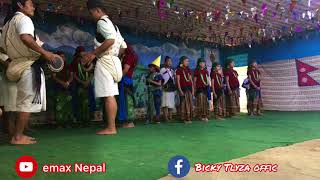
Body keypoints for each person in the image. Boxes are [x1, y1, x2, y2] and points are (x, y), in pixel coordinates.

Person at [0, 0, 58, 145]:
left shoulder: (7, 25)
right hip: (27, 65)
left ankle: (17, 134)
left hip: (15, 66)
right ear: (20, 5)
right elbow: (25, 37)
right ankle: (18, 137)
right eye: (31, 3)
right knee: (26, 102)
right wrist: (46, 53)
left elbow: (1, 49)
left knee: (18, 103)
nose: (33, 7)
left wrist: (15, 54)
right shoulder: (24, 19)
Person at [82, 0, 126, 135]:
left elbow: (110, 40)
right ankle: (111, 126)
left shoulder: (101, 22)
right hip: (115, 62)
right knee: (111, 94)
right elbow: (123, 47)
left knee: (108, 95)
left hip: (105, 61)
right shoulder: (115, 26)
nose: (91, 16)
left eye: (91, 13)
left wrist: (93, 54)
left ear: (97, 10)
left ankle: (111, 128)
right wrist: (113, 55)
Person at [70, 46, 97, 122]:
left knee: (91, 97)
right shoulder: (75, 62)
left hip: (88, 83)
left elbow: (92, 72)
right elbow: (74, 74)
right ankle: (77, 116)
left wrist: (88, 82)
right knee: (76, 97)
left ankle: (91, 115)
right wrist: (82, 82)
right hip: (78, 83)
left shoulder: (89, 60)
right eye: (81, 52)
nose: (83, 53)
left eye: (84, 51)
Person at [118, 44, 137, 128]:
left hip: (125, 80)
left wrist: (117, 78)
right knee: (125, 100)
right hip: (127, 80)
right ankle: (126, 121)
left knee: (127, 100)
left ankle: (129, 122)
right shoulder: (127, 56)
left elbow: (125, 70)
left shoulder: (129, 57)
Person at [176, 56, 194, 123]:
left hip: (189, 88)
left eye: (188, 61)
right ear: (182, 61)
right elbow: (178, 80)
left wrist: (193, 89)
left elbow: (191, 80)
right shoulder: (179, 69)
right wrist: (180, 90)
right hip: (183, 89)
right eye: (186, 61)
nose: (187, 62)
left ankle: (189, 117)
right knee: (183, 103)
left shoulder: (188, 69)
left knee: (189, 103)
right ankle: (183, 118)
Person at [145, 57, 163, 124]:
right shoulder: (149, 74)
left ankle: (157, 119)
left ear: (154, 68)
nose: (150, 69)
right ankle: (149, 118)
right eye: (149, 67)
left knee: (157, 105)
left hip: (157, 91)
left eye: (151, 67)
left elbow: (159, 84)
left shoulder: (158, 74)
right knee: (150, 105)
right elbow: (147, 83)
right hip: (150, 92)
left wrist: (151, 81)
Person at [160, 56, 175, 122]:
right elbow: (161, 79)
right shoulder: (162, 69)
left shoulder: (172, 71)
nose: (170, 63)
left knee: (171, 103)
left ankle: (170, 117)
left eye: (170, 61)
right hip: (165, 88)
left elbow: (173, 79)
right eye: (168, 61)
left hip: (171, 88)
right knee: (165, 104)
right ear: (165, 62)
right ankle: (165, 118)